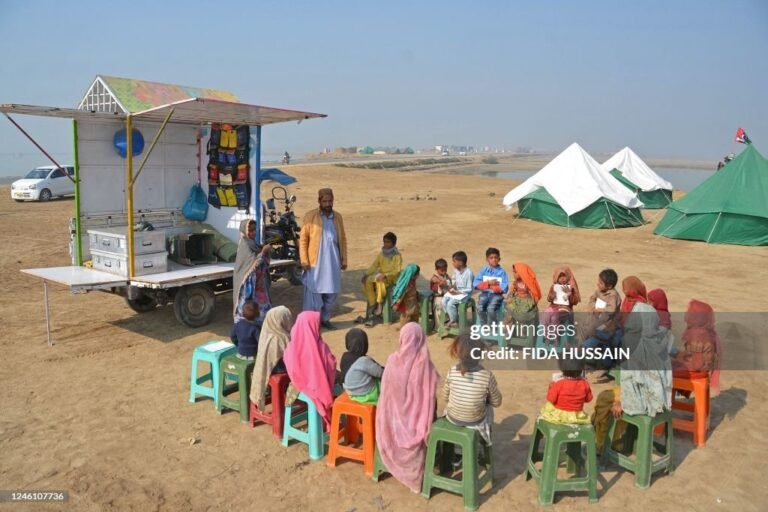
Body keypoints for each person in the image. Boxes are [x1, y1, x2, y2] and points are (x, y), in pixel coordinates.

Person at [591, 276, 672, 453]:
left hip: (642, 401)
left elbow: (633, 382)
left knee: (605, 400)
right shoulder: (660, 344)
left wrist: (622, 402)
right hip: (659, 400)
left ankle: (605, 446)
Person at [376, 322, 439, 493]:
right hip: (417, 424)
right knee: (431, 410)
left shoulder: (392, 361)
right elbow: (433, 391)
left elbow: (386, 395)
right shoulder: (425, 364)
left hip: (393, 423)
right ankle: (416, 475)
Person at [299, 188, 348, 330]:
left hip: (333, 262)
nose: (328, 204)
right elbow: (303, 240)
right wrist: (304, 260)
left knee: (332, 293)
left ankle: (325, 319)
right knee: (315, 294)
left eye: (330, 201)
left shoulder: (337, 217)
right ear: (319, 201)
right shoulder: (310, 216)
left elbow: (342, 239)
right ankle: (312, 322)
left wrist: (344, 259)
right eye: (325, 201)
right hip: (315, 263)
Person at [442, 333, 502, 447]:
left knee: (452, 403)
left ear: (457, 352)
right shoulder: (487, 375)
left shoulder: (451, 372)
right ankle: (483, 443)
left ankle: (456, 453)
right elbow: (497, 402)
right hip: (475, 422)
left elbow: (445, 397)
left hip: (453, 419)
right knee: (489, 407)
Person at [282, 311, 337, 429]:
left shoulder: (291, 347)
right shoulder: (321, 346)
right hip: (319, 389)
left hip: (299, 385)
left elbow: (290, 368)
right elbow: (331, 365)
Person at [673, 299, 722, 395]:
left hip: (697, 372)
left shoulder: (697, 334)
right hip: (703, 369)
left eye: (690, 312)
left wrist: (681, 361)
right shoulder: (707, 331)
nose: (687, 314)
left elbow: (697, 364)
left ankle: (677, 392)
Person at [579, 269, 623, 375]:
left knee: (596, 339)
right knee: (583, 329)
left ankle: (600, 365)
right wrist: (593, 308)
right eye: (598, 281)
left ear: (609, 286)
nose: (597, 284)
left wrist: (600, 309)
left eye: (601, 283)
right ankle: (585, 360)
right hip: (595, 319)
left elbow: (611, 309)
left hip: (607, 324)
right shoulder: (598, 291)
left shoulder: (613, 295)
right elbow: (591, 301)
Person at [249, 306, 293, 411]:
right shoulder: (281, 338)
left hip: (264, 368)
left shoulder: (266, 331)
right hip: (278, 369)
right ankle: (287, 400)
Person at [356, 232, 402, 326]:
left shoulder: (397, 256)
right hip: (380, 277)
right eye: (384, 242)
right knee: (368, 280)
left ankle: (375, 310)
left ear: (393, 243)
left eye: (388, 242)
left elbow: (397, 271)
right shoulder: (382, 254)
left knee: (379, 285)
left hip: (390, 279)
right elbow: (374, 265)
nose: (385, 244)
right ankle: (373, 303)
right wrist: (366, 274)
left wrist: (385, 275)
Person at [233, 219, 272, 322]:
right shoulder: (244, 244)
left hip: (257, 281)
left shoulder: (252, 243)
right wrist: (263, 252)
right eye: (250, 230)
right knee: (247, 306)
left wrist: (263, 250)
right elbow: (252, 262)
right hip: (248, 284)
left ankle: (261, 322)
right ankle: (245, 325)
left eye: (254, 230)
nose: (254, 232)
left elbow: (259, 258)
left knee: (260, 306)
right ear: (245, 231)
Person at [540, 355, 593, 424]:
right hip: (577, 416)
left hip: (560, 415)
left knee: (547, 407)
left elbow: (551, 399)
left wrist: (551, 387)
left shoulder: (559, 384)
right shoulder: (585, 384)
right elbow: (588, 399)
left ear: (562, 369)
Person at [341, 328, 384, 404]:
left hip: (351, 393)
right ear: (365, 344)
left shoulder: (344, 357)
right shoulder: (364, 361)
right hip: (366, 396)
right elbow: (381, 373)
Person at [541, 266, 581, 345]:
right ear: (556, 278)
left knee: (555, 317)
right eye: (560, 276)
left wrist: (569, 294)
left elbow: (575, 301)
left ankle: (556, 338)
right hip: (554, 307)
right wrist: (553, 296)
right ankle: (547, 336)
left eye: (564, 276)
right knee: (546, 314)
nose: (562, 279)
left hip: (566, 309)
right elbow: (549, 299)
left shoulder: (571, 287)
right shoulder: (554, 287)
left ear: (568, 276)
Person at [504, 262, 541, 343]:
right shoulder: (515, 283)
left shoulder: (528, 284)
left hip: (526, 301)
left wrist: (534, 302)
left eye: (516, 272)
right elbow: (511, 292)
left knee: (524, 314)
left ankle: (524, 331)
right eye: (513, 272)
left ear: (522, 273)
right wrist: (509, 297)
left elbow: (533, 293)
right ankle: (507, 331)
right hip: (516, 300)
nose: (514, 274)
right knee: (508, 312)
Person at [473, 248, 509, 326]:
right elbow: (476, 284)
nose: (494, 260)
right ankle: (483, 325)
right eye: (491, 258)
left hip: (497, 296)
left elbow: (504, 288)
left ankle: (492, 326)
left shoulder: (502, 272)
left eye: (496, 257)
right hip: (485, 294)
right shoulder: (484, 270)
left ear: (499, 259)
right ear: (487, 259)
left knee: (490, 309)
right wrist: (488, 283)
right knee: (479, 308)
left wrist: (493, 287)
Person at [442, 251, 474, 327]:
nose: (452, 263)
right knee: (444, 300)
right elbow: (454, 280)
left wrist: (459, 292)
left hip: (465, 294)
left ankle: (454, 320)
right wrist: (451, 286)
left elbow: (469, 288)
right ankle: (450, 316)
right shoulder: (456, 271)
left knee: (450, 303)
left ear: (460, 263)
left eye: (454, 261)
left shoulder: (468, 273)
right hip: (456, 292)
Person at [391, 263, 421, 327]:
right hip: (407, 309)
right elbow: (401, 295)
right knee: (405, 325)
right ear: (413, 274)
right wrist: (396, 304)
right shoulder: (406, 285)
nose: (418, 275)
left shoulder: (413, 281)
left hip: (413, 307)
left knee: (414, 325)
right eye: (417, 274)